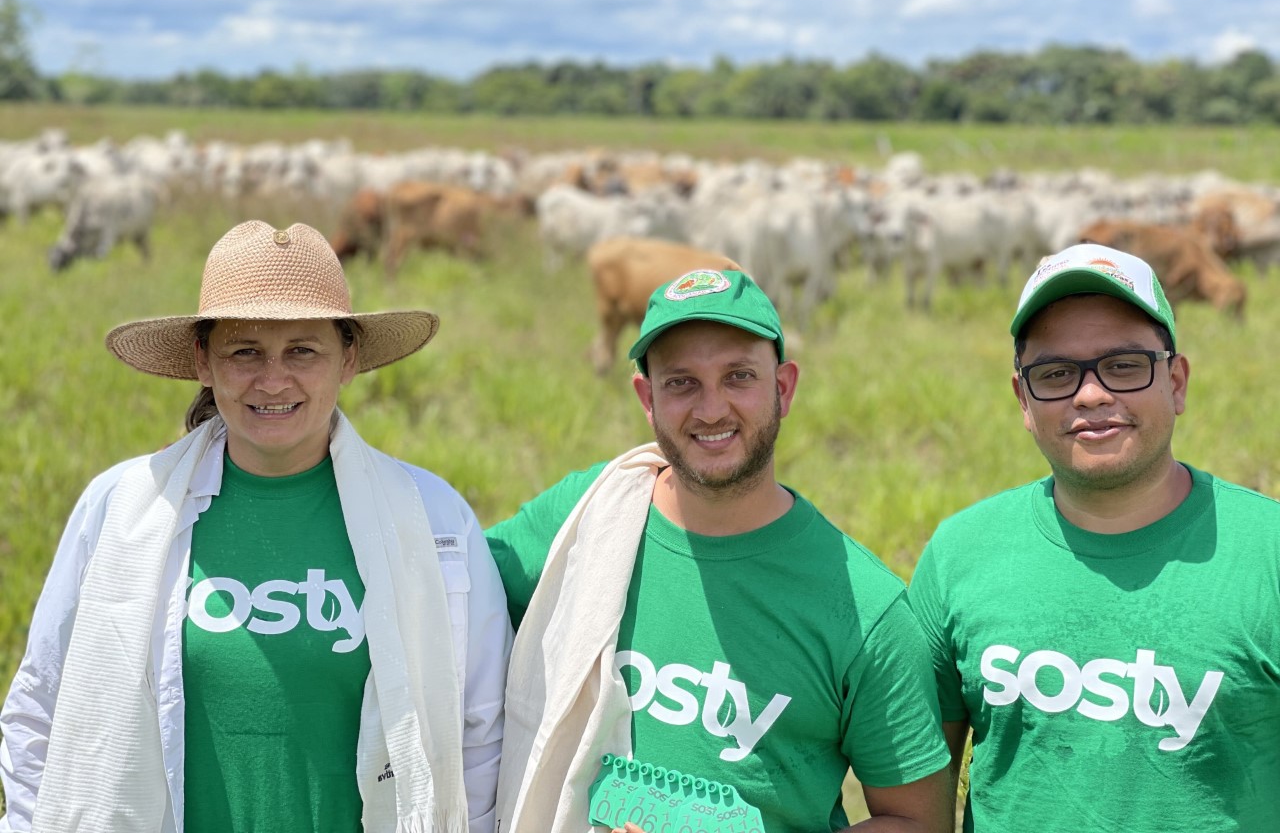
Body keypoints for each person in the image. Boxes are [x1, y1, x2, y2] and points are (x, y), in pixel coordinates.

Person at [0, 220, 512, 833]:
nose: (273, 380)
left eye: (303, 350)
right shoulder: (123, 508)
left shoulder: (432, 518)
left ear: (347, 359)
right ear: (203, 362)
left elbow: (482, 731)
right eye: (245, 351)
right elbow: (40, 709)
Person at [486, 269, 953, 833]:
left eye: (738, 376)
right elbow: (442, 603)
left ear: (783, 388)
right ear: (647, 398)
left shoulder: (864, 606)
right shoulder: (585, 519)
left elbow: (917, 822)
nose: (711, 410)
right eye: (681, 382)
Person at [908, 243, 1280, 831]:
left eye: (1125, 365)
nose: (1091, 395)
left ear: (1176, 382)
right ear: (1023, 401)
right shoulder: (960, 553)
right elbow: (917, 807)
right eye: (1056, 374)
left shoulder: (1267, 552)